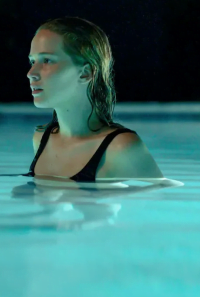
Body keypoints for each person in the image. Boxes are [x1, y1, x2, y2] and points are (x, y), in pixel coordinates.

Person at [26, 17, 163, 181]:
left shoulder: (121, 147)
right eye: (32, 61)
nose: (31, 73)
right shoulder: (41, 139)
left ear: (85, 73)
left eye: (47, 60)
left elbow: (159, 195)